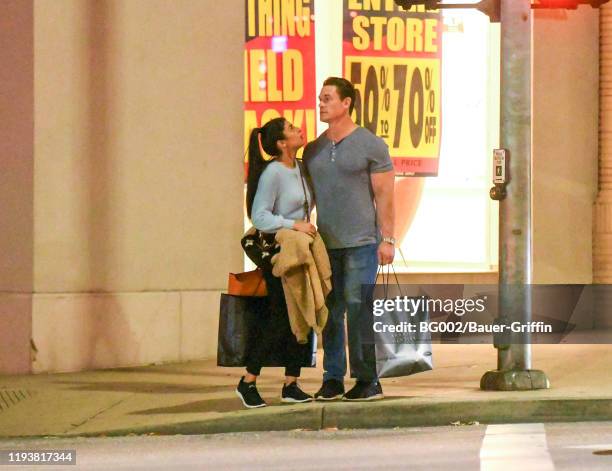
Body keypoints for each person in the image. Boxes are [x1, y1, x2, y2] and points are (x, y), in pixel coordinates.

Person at [303, 77, 396, 401]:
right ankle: (332, 378)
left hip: (361, 244)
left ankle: (368, 379)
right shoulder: (313, 150)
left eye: (328, 98)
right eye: (320, 98)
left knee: (359, 309)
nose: (321, 103)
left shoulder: (370, 145)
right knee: (329, 312)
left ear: (346, 103)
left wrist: (389, 239)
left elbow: (385, 194)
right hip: (326, 245)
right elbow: (308, 197)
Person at [236, 117, 317, 409]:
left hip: (300, 251)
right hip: (279, 254)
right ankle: (248, 380)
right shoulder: (273, 173)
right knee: (279, 318)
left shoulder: (299, 167)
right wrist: (293, 224)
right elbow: (259, 217)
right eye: (292, 129)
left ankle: (291, 383)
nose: (298, 130)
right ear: (282, 143)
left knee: (301, 315)